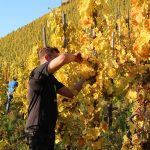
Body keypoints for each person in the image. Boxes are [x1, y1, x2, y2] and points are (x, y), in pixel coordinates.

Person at [25, 47, 87, 150]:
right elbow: (63, 58)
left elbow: (71, 93)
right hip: (37, 131)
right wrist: (75, 57)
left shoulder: (50, 79)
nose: (57, 60)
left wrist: (85, 77)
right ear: (47, 58)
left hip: (47, 131)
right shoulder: (37, 73)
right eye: (55, 57)